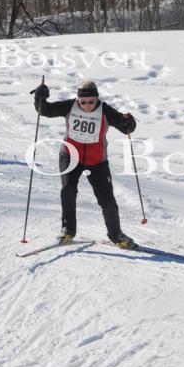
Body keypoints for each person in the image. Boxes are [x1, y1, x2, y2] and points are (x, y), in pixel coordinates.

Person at [34, 79, 137, 249]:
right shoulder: (69, 106)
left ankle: (116, 235)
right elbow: (44, 110)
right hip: (70, 156)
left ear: (97, 99)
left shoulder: (106, 111)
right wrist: (40, 97)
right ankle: (68, 230)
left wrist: (129, 122)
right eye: (83, 102)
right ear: (78, 99)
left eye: (91, 102)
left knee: (107, 200)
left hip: (97, 161)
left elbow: (125, 127)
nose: (87, 105)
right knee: (68, 191)